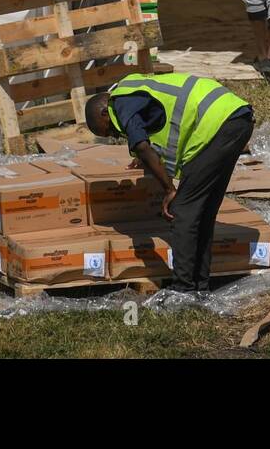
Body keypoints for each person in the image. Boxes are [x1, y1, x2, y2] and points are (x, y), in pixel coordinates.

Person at [84, 73, 253, 292]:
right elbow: (163, 123)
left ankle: (183, 289)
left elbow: (143, 145)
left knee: (181, 211)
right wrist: (145, 157)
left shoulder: (119, 104)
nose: (115, 135)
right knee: (203, 211)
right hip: (235, 119)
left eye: (109, 130)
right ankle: (199, 287)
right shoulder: (130, 88)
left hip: (216, 124)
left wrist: (169, 189)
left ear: (104, 111)